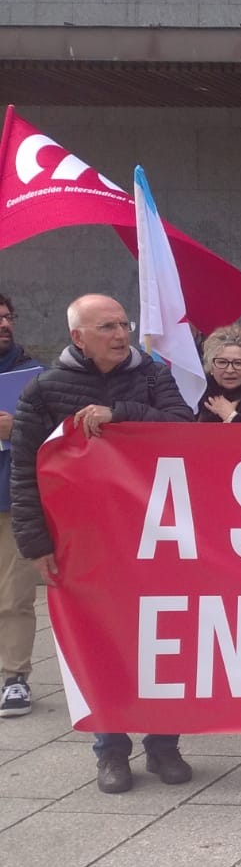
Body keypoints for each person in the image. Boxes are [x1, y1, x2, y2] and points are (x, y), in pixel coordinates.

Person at [8, 294, 196, 792]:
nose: (120, 334)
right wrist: (35, 543)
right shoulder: (44, 390)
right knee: (100, 642)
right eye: (107, 327)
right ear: (78, 337)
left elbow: (184, 427)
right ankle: (111, 751)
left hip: (152, 533)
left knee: (162, 638)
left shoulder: (153, 376)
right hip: (85, 540)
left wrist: (122, 413)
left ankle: (164, 745)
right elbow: (25, 470)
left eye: (123, 324)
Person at [0, 293, 43, 718]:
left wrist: (18, 429)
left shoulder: (36, 377)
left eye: (8, 317)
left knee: (14, 595)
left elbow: (59, 437)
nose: (4, 324)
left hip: (11, 498)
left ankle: (15, 677)